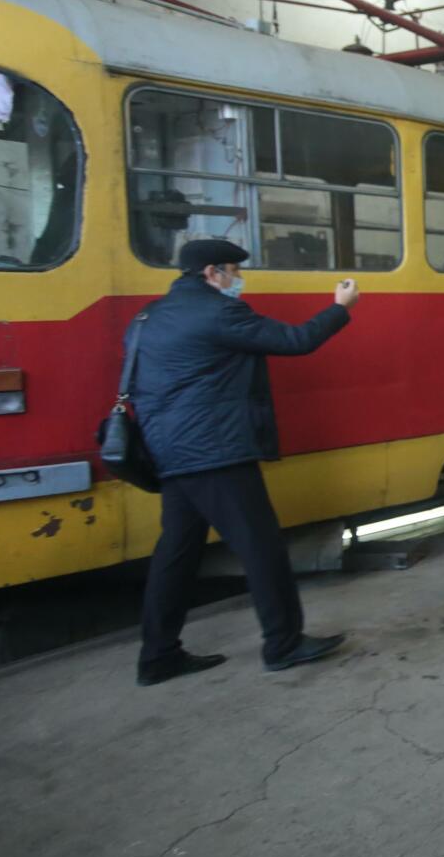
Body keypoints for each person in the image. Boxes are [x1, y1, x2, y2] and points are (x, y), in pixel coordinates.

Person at [128, 238, 358, 685]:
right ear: (212, 273)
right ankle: (283, 644)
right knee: (261, 547)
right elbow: (297, 340)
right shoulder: (218, 312)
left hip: (170, 453)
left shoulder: (147, 317)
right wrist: (340, 307)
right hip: (215, 452)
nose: (238, 280)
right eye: (233, 271)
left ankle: (157, 656)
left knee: (176, 554)